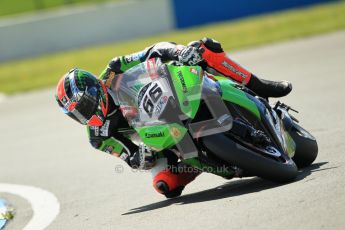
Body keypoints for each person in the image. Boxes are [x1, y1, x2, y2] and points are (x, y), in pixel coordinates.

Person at [55, 38, 292, 198]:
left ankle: (260, 86)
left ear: (95, 88)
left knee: (203, 47)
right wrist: (140, 158)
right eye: (77, 114)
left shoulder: (114, 69)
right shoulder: (98, 136)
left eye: (84, 105)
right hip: (159, 136)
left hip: (171, 94)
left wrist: (179, 52)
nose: (85, 114)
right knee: (165, 185)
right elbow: (129, 155)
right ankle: (210, 164)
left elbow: (155, 50)